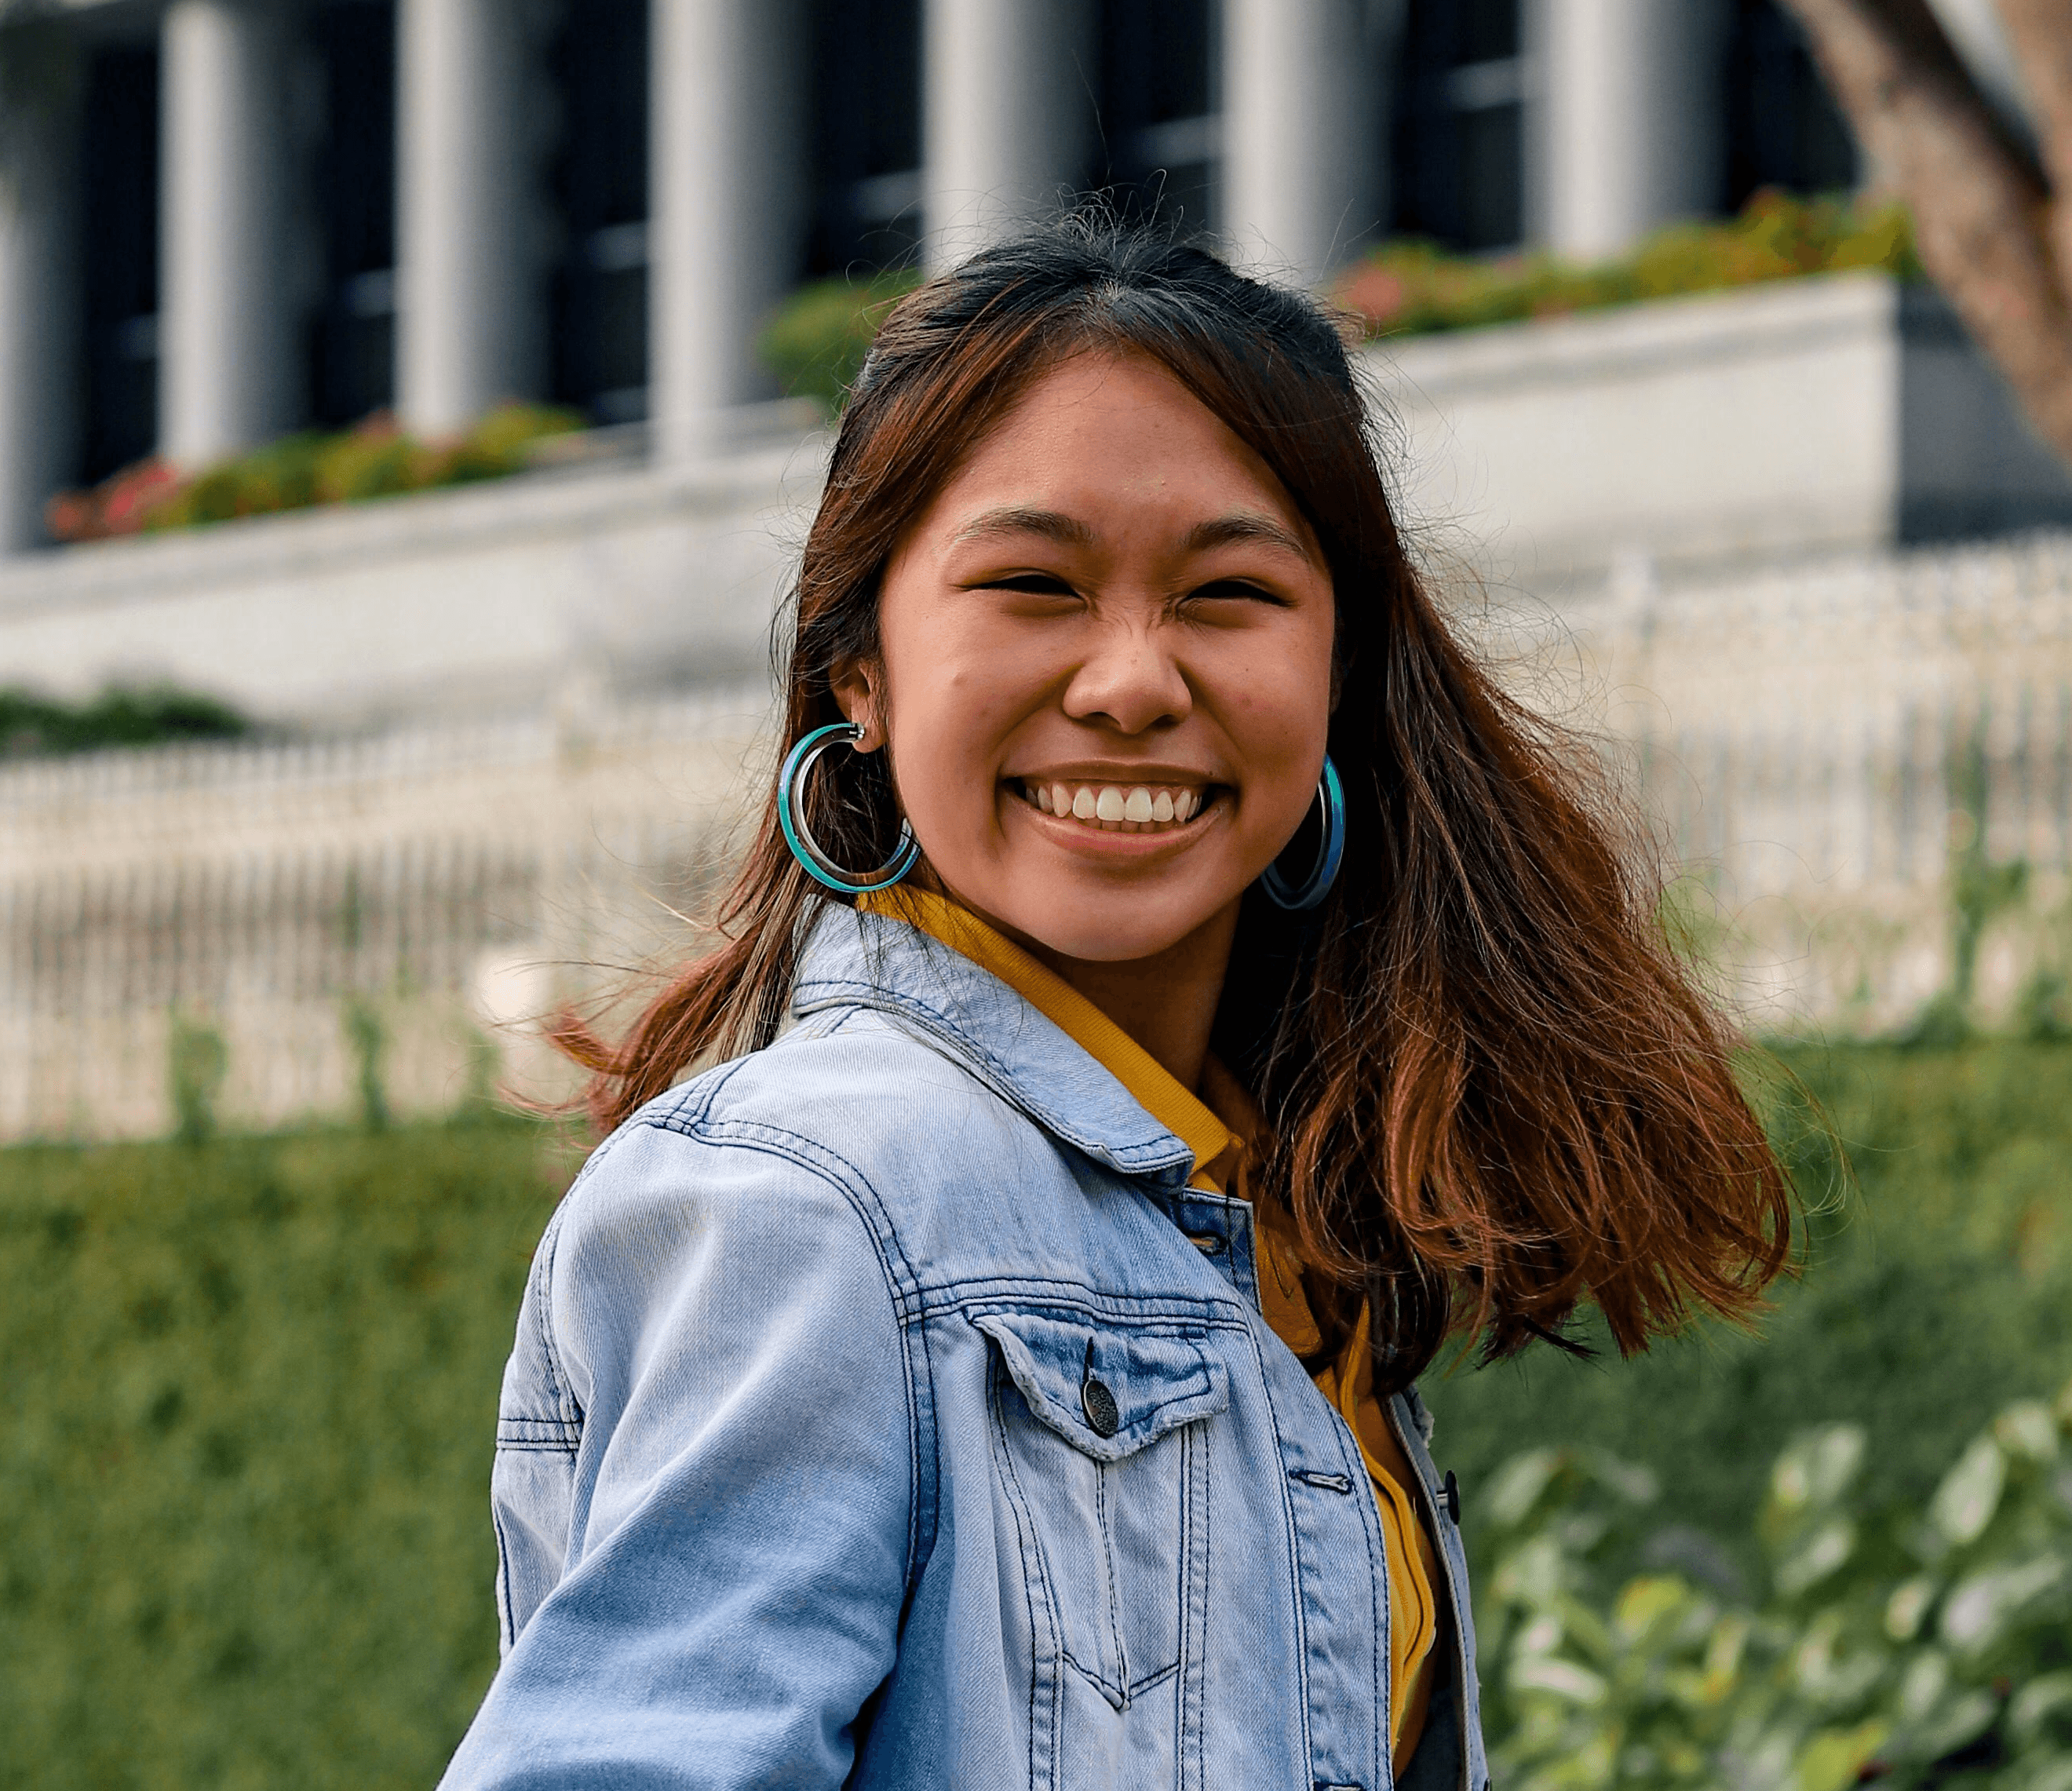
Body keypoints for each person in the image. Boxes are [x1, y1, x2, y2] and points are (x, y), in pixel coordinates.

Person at [440, 217, 1793, 1790]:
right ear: (859, 672)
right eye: (1034, 581)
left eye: (1228, 593)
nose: (1135, 680)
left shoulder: (1274, 1229)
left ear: (1340, 669)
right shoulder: (804, 1206)